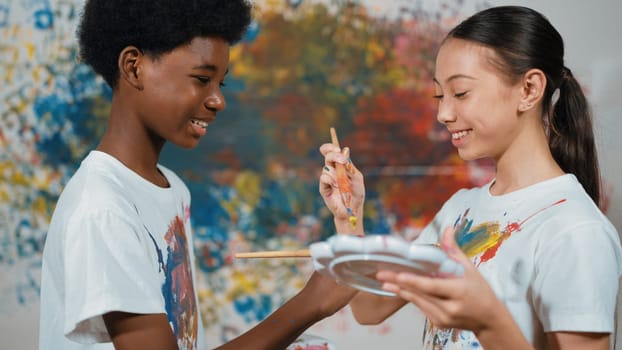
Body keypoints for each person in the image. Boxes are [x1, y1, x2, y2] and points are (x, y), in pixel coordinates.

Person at [38, 1, 356, 349]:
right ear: (134, 67)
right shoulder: (102, 210)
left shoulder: (172, 189)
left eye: (220, 82)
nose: (218, 100)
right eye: (202, 79)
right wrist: (311, 303)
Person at [319, 5, 622, 350]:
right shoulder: (460, 209)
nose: (443, 113)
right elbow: (369, 307)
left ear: (529, 89)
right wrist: (349, 216)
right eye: (439, 95)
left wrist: (487, 321)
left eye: (460, 93)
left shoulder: (575, 230)